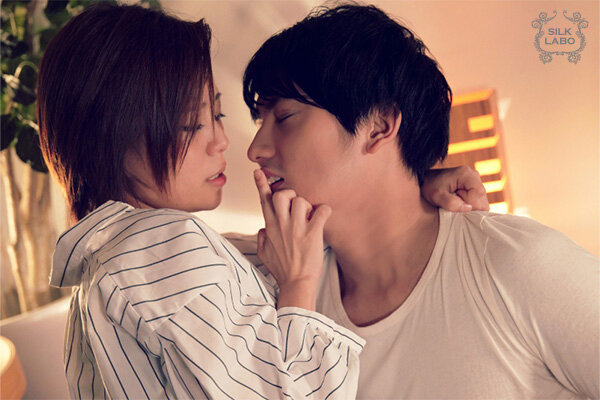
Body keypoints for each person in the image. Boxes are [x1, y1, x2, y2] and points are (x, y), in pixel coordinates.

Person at [38, 3, 487, 399]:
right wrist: (299, 285)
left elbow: (258, 260)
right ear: (113, 136)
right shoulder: (161, 248)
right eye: (191, 123)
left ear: (381, 128)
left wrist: (409, 182)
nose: (226, 142)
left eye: (217, 114)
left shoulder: (114, 266)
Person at [238, 4, 600, 399]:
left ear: (379, 126)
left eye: (285, 117)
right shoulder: (270, 282)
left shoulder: (516, 265)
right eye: (261, 121)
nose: (256, 149)